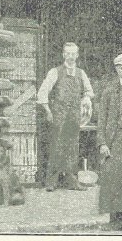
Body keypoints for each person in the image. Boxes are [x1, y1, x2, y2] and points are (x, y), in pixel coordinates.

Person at [37, 42, 94, 191]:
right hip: (59, 115)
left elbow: (89, 91)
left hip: (74, 115)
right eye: (67, 53)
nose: (70, 56)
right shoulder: (55, 72)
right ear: (63, 54)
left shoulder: (81, 73)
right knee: (56, 146)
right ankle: (51, 181)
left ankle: (71, 181)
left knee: (72, 147)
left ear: (77, 55)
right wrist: (48, 110)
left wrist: (86, 98)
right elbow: (42, 92)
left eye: (73, 53)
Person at [98, 54, 122, 227]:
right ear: (115, 68)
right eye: (119, 66)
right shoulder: (109, 90)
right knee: (113, 178)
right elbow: (101, 119)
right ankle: (115, 218)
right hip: (114, 141)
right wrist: (102, 143)